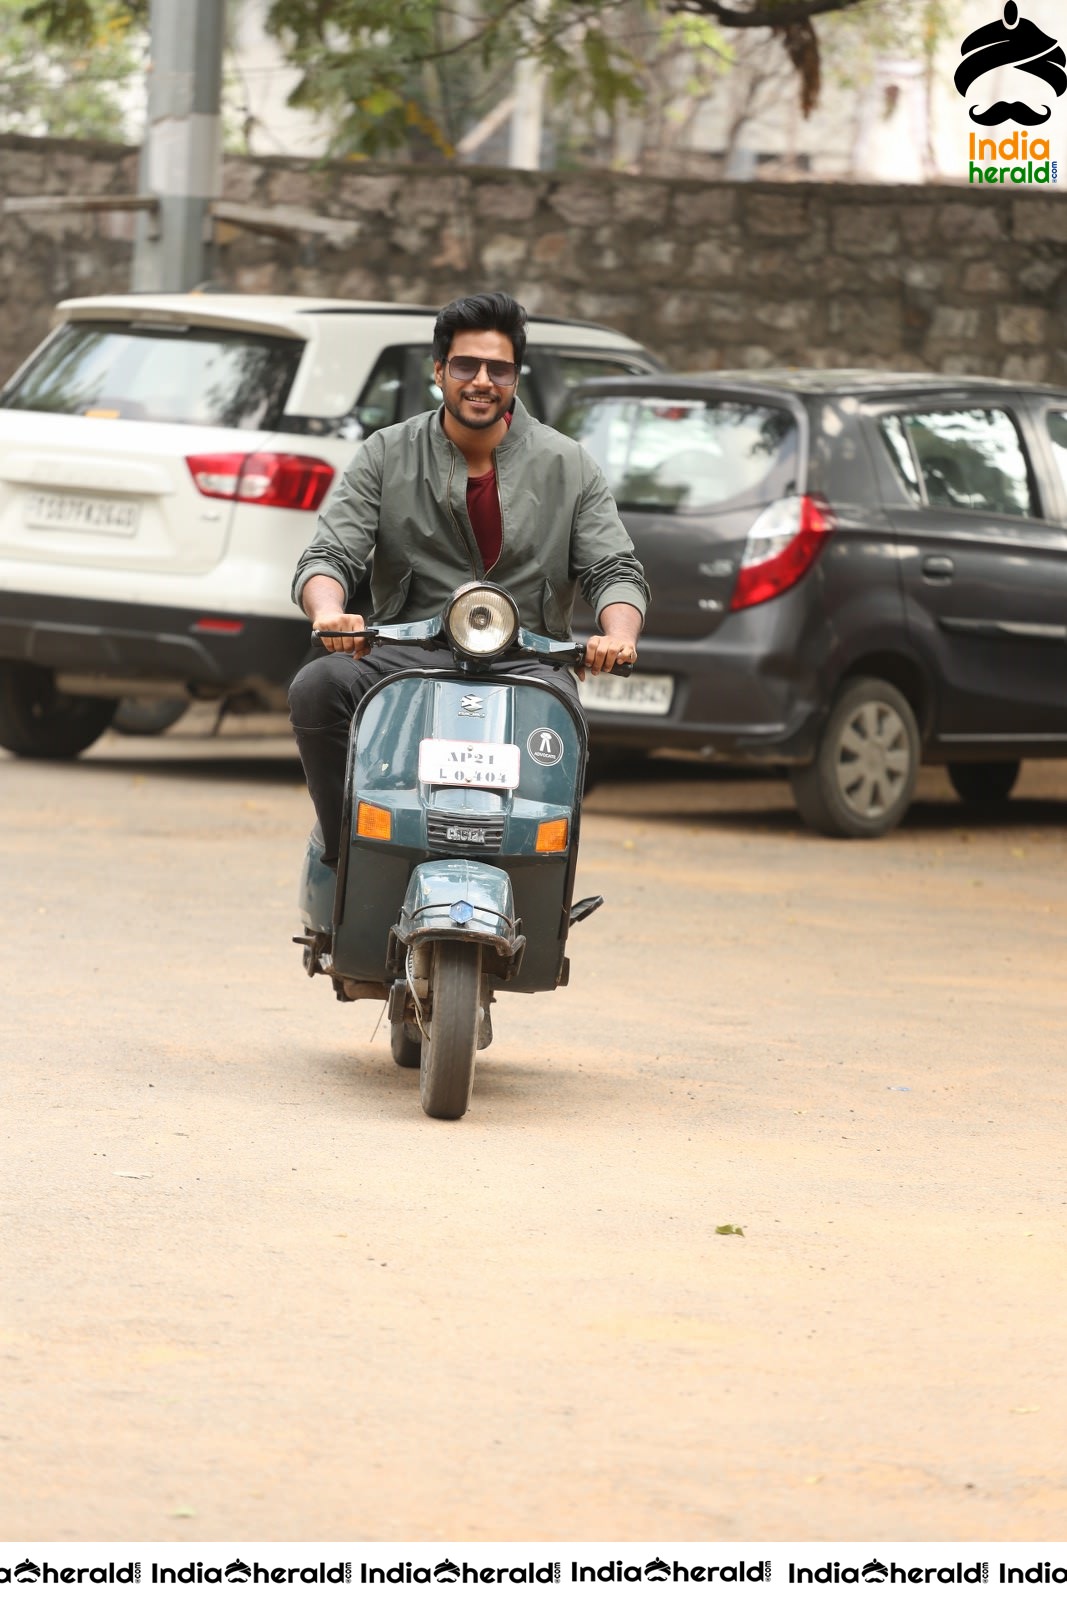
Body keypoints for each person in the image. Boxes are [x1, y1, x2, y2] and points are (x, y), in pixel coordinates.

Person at [288, 290, 649, 865]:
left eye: (499, 369)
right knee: (318, 687)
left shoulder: (569, 464)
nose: (482, 381)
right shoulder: (387, 453)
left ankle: (541, 907)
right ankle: (346, 851)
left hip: (528, 663)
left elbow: (615, 568)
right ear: (439, 371)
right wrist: (328, 612)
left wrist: (619, 635)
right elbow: (331, 553)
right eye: (466, 366)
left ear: (516, 377)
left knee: (566, 758)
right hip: (408, 654)